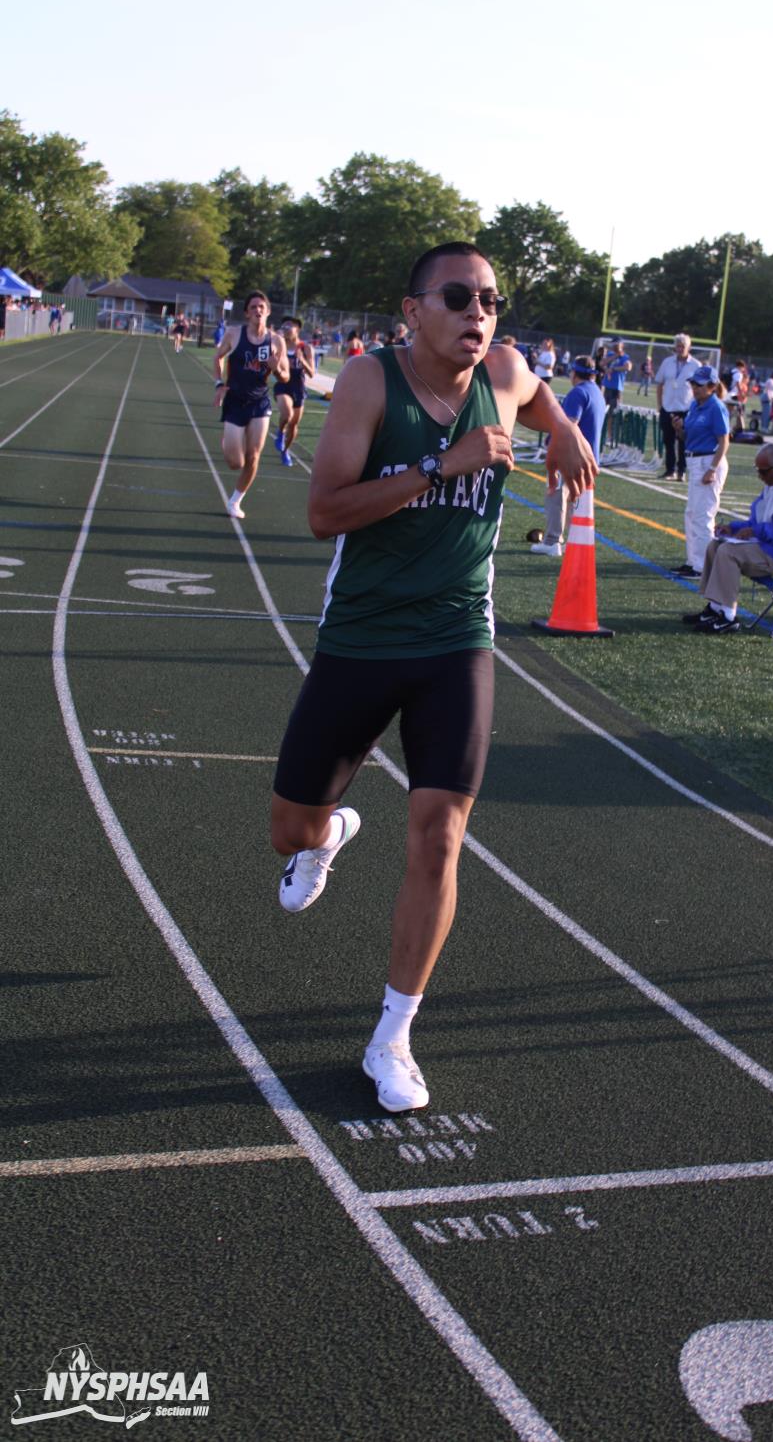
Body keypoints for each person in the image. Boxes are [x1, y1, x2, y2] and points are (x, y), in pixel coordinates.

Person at [269, 241, 596, 1114]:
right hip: (362, 635)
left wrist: (563, 429)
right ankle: (328, 834)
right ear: (413, 311)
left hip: (457, 640)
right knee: (289, 829)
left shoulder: (505, 373)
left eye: (490, 300)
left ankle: (393, 1036)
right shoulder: (370, 382)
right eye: (458, 298)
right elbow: (324, 512)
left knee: (441, 834)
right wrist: (440, 467)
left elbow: (534, 392)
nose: (477, 314)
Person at [682, 442, 773, 634]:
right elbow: (757, 521)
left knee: (728, 552)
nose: (760, 476)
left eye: (763, 471)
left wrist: (757, 531)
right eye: (757, 470)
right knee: (716, 545)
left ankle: (728, 617)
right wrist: (733, 528)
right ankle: (715, 608)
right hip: (771, 546)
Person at [214, 291, 289, 518]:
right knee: (235, 462)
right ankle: (228, 442)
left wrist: (276, 368)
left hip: (259, 403)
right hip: (235, 400)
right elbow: (218, 357)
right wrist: (219, 384)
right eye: (253, 307)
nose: (258, 310)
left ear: (268, 311)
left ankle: (235, 501)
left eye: (261, 307)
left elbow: (285, 377)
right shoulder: (234, 334)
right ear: (247, 312)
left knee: (254, 456)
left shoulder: (276, 341)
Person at [530, 355, 607, 557]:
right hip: (590, 456)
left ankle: (552, 540)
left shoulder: (578, 393)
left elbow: (569, 424)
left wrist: (552, 443)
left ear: (574, 373)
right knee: (575, 500)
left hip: (571, 455)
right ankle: (572, 541)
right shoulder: (597, 392)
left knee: (555, 495)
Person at [672, 365, 730, 576]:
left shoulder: (716, 407)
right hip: (696, 461)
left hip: (708, 462)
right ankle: (693, 561)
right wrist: (679, 429)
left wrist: (712, 469)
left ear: (712, 386)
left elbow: (724, 442)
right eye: (694, 384)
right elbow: (688, 438)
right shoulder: (695, 405)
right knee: (692, 514)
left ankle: (703, 566)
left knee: (703, 516)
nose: (695, 388)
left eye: (699, 385)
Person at [655, 333, 699, 479]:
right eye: (678, 346)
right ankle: (670, 470)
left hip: (686, 408)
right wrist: (660, 404)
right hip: (668, 407)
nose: (680, 349)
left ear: (689, 347)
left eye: (683, 346)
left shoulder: (696, 365)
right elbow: (659, 383)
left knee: (683, 442)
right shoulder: (667, 362)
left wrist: (695, 408)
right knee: (668, 441)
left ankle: (682, 471)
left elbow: (699, 387)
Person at [272, 316, 315, 466]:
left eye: (289, 326)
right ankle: (280, 432)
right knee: (287, 413)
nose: (286, 329)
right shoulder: (279, 344)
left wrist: (301, 360)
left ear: (298, 329)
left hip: (299, 387)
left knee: (294, 425)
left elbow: (312, 373)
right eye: (284, 326)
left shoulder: (306, 348)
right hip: (283, 384)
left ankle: (286, 451)